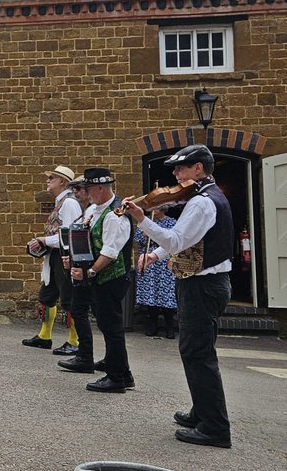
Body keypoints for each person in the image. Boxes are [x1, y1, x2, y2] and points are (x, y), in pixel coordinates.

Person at [124, 144, 233, 449]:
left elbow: (176, 239)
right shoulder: (205, 197)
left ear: (199, 169)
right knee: (197, 351)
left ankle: (214, 427)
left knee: (197, 353)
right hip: (206, 282)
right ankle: (202, 412)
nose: (175, 174)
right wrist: (155, 256)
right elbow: (188, 241)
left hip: (203, 285)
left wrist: (142, 219)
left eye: (180, 168)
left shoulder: (201, 203)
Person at [64, 167, 135, 394]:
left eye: (89, 189)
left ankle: (116, 378)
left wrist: (89, 272)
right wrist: (75, 260)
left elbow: (110, 252)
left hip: (112, 277)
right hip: (102, 277)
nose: (86, 193)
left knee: (112, 326)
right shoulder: (96, 209)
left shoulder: (115, 214)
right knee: (107, 325)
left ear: (101, 188)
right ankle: (123, 372)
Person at [23, 165, 82, 354]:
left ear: (62, 182)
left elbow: (71, 235)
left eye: (52, 177)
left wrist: (43, 240)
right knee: (47, 295)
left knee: (68, 299)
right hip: (54, 254)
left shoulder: (70, 203)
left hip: (65, 256)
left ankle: (75, 341)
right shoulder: (60, 202)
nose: (48, 180)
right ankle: (44, 336)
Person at [135, 208, 179, 339]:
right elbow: (137, 239)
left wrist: (156, 234)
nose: (154, 210)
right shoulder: (146, 222)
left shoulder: (172, 222)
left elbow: (173, 239)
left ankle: (169, 326)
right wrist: (144, 235)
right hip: (150, 261)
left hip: (165, 261)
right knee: (151, 294)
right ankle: (152, 324)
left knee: (166, 293)